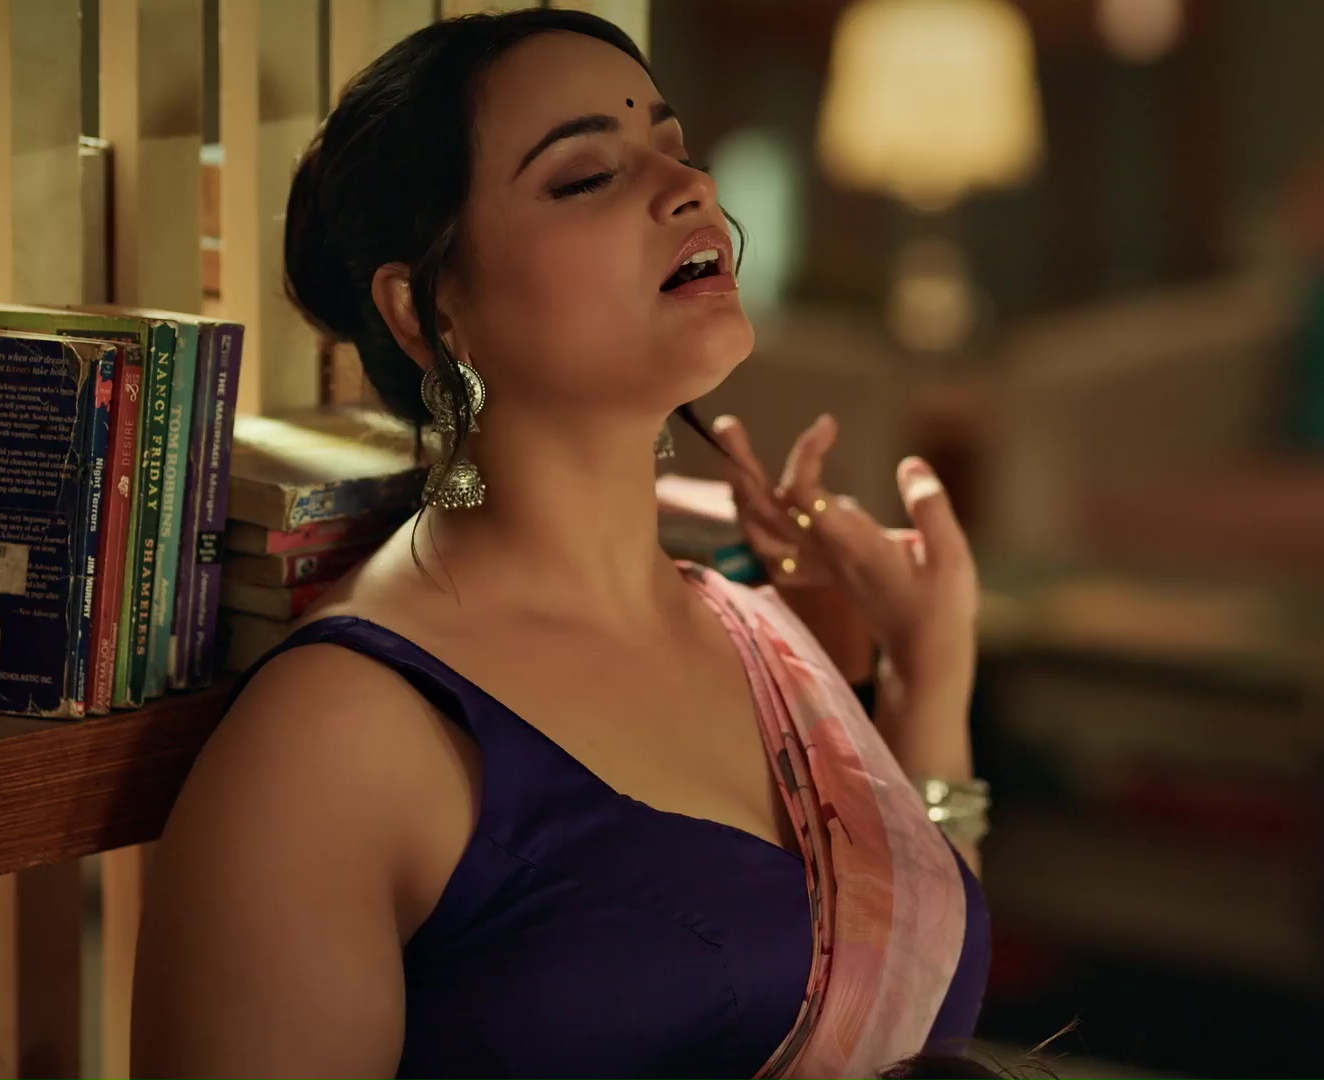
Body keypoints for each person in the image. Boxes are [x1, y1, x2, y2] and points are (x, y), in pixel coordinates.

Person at [131, 9, 992, 1080]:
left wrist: (928, 677)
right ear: (427, 312)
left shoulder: (761, 634)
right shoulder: (334, 744)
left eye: (675, 149)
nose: (690, 187)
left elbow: (919, 1017)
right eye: (585, 175)